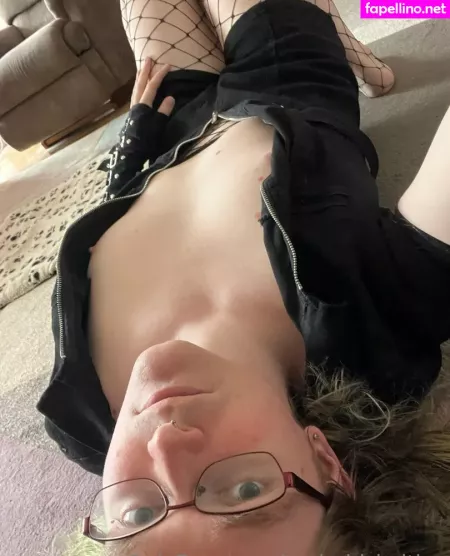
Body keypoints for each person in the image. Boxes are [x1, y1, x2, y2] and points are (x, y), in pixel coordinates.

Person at [37, 0, 450, 552]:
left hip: (167, 129)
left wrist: (132, 144)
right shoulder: (377, 329)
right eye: (245, 491)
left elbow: (111, 218)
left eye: (139, 513)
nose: (164, 443)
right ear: (327, 463)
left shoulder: (80, 411)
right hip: (281, 75)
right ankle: (351, 47)